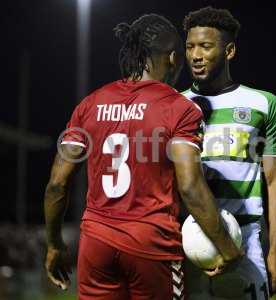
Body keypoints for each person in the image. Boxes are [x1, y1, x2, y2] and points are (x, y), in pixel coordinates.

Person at [43, 14, 241, 300]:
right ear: (173, 58)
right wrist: (228, 248)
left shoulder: (89, 104)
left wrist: (53, 244)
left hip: (95, 244)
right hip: (152, 244)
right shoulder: (181, 110)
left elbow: (56, 185)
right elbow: (191, 188)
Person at [182, 7, 276, 299]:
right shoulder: (174, 105)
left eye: (205, 46)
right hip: (189, 240)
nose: (195, 55)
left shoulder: (263, 104)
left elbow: (275, 181)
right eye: (190, 46)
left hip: (246, 239)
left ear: (229, 51)